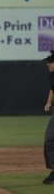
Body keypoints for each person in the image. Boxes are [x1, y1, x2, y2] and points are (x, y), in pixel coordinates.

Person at [42, 50, 54, 184]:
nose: (48, 64)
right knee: (49, 141)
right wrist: (49, 102)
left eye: (51, 62)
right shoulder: (52, 75)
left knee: (49, 140)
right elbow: (53, 89)